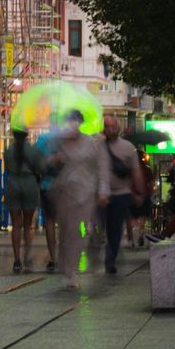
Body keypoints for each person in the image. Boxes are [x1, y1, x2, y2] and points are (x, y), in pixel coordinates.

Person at [47, 109, 108, 289]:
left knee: (76, 231)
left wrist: (103, 190)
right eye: (70, 121)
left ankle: (72, 270)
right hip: (64, 191)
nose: (73, 125)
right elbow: (43, 162)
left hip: (85, 193)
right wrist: (54, 159)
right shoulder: (59, 142)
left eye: (76, 121)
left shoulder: (92, 142)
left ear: (80, 123)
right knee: (65, 232)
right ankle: (65, 267)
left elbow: (102, 167)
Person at [100, 117, 141, 274]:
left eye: (112, 126)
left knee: (115, 229)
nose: (110, 129)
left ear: (118, 127)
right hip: (101, 195)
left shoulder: (127, 147)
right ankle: (107, 252)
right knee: (104, 228)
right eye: (107, 126)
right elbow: (99, 171)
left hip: (121, 194)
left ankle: (110, 259)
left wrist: (138, 191)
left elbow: (135, 171)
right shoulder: (99, 146)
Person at [4, 129, 43, 273]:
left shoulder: (8, 151)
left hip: (13, 183)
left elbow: (7, 167)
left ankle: (16, 260)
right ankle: (27, 256)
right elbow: (39, 168)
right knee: (27, 225)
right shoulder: (33, 151)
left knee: (16, 225)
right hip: (29, 183)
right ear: (26, 134)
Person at [35, 129, 60, 272]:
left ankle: (53, 258)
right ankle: (64, 256)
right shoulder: (66, 137)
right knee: (64, 222)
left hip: (47, 185)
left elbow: (37, 163)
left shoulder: (42, 139)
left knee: (49, 222)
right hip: (64, 185)